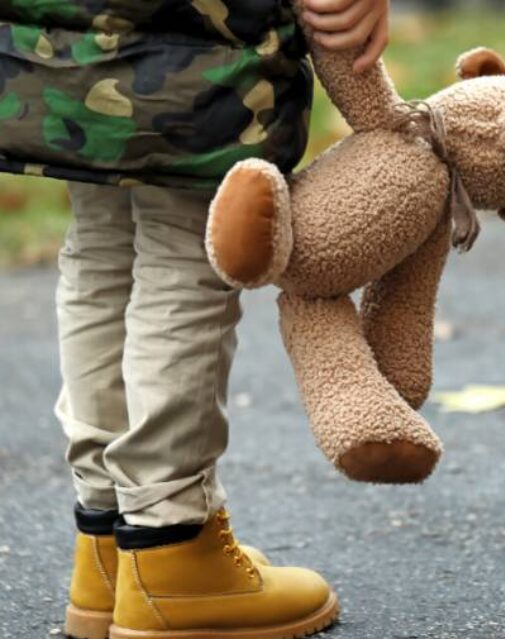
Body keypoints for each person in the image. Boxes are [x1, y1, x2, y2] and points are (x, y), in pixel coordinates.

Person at [0, 1, 389, 637]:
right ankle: (170, 546)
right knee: (187, 241)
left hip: (61, 31)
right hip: (198, 38)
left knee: (102, 236)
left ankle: (109, 544)